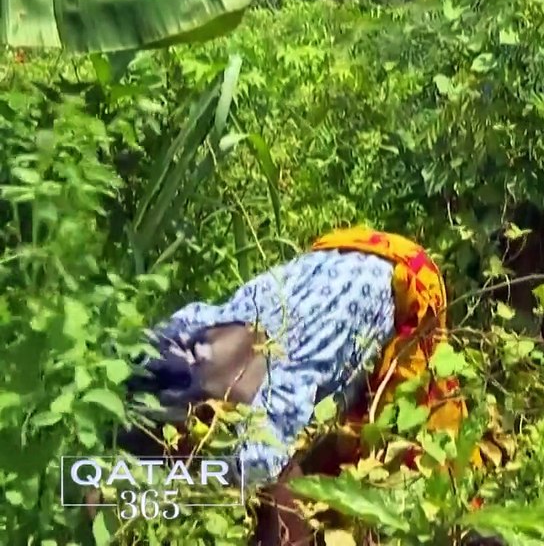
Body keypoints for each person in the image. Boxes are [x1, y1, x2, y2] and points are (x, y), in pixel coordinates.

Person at [113, 227, 508, 545]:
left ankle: (468, 528)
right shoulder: (190, 348)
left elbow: (276, 474)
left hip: (398, 283)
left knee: (407, 442)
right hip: (351, 265)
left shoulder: (259, 394)